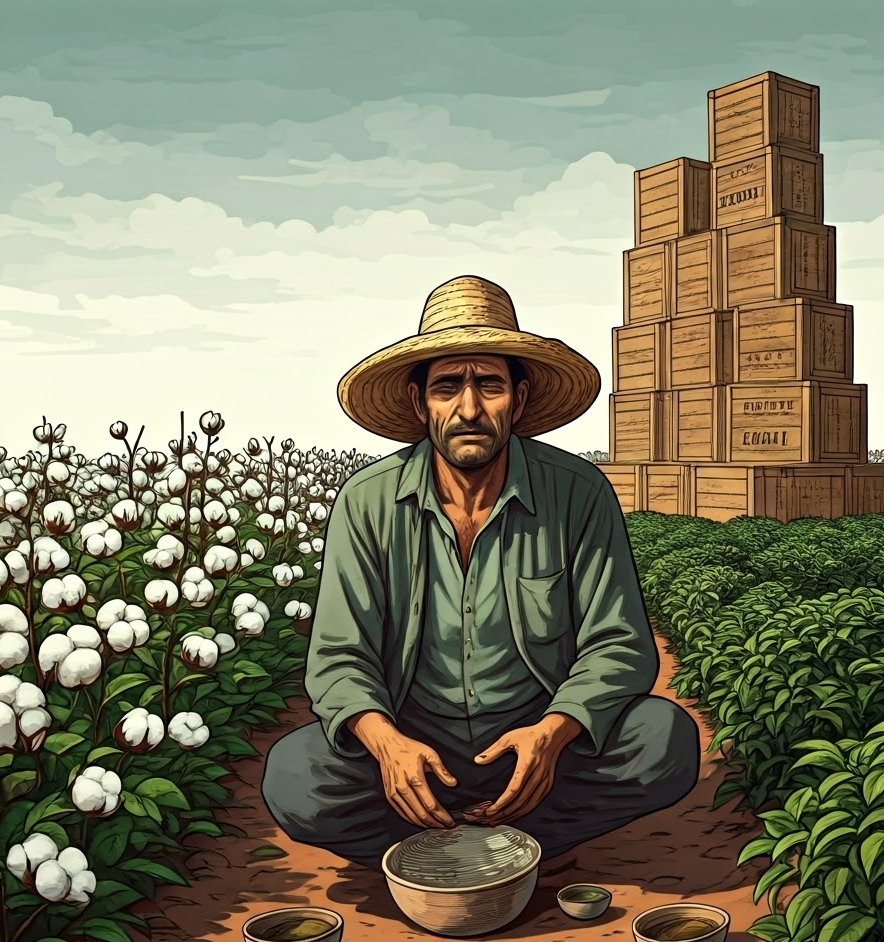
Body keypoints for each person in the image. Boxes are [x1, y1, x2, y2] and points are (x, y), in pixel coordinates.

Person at [262, 275, 700, 871]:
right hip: (414, 747)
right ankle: (440, 839)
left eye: (488, 385)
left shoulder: (577, 494)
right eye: (448, 387)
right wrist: (388, 746)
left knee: (664, 740)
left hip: (537, 746)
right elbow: (339, 658)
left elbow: (620, 645)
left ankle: (515, 838)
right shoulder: (366, 502)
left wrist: (551, 734)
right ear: (422, 404)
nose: (469, 409)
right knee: (294, 777)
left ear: (517, 400)